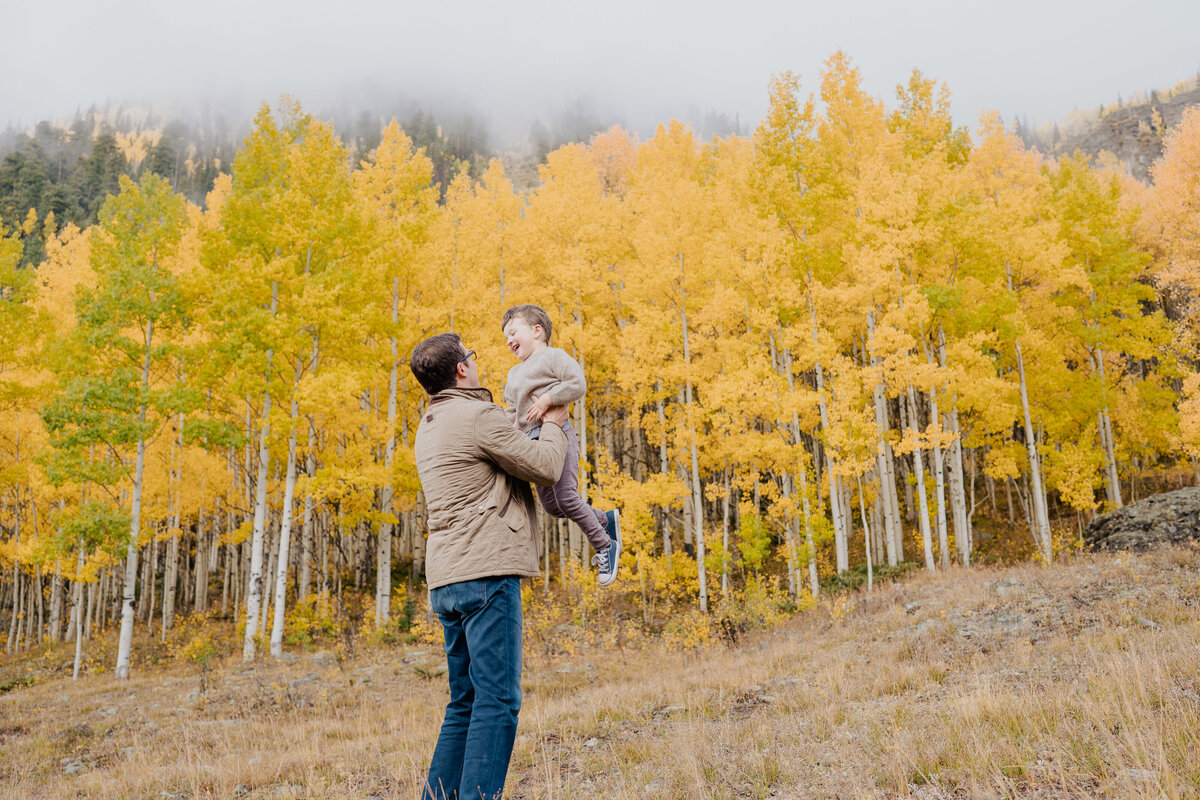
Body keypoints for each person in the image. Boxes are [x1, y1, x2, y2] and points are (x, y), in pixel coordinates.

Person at [410, 332, 570, 800]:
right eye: (472, 357)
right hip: (485, 573)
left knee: (465, 702)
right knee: (497, 702)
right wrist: (557, 420)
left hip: (447, 579)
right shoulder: (477, 416)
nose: (475, 362)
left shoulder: (430, 423)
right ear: (462, 369)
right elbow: (544, 466)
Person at [500, 304, 621, 587]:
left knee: (567, 498)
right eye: (505, 337)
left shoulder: (554, 357)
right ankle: (605, 518)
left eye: (513, 332)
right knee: (553, 507)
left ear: (537, 331)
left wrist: (548, 400)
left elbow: (577, 384)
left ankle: (605, 545)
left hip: (559, 435)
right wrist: (508, 431)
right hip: (533, 445)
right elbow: (512, 411)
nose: (509, 340)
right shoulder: (513, 375)